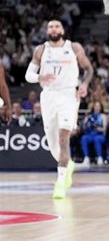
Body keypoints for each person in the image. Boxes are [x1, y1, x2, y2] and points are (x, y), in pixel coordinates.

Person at [24, 19, 93, 199]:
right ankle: (67, 165)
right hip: (48, 96)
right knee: (54, 144)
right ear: (47, 31)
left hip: (68, 95)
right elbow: (28, 75)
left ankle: (60, 182)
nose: (54, 29)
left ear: (63, 30)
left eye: (57, 26)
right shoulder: (41, 50)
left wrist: (84, 84)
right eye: (50, 27)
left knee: (64, 135)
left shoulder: (74, 47)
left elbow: (88, 68)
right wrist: (40, 77)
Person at [79, 101, 107, 167]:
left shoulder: (103, 116)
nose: (97, 108)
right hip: (90, 134)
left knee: (97, 139)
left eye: (98, 106)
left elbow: (104, 129)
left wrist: (98, 128)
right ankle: (86, 158)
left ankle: (99, 157)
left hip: (99, 134)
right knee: (84, 138)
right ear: (93, 107)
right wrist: (87, 125)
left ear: (101, 108)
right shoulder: (89, 116)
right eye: (95, 106)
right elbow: (83, 127)